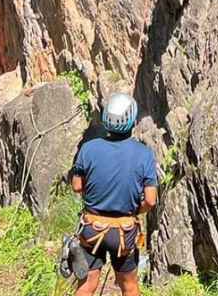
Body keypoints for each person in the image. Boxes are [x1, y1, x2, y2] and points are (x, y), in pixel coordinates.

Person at [70, 93, 157, 296]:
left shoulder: (88, 148)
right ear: (132, 120)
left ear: (106, 119)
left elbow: (76, 186)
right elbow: (151, 200)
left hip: (92, 227)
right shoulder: (144, 154)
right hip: (124, 232)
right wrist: (137, 209)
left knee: (87, 285)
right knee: (129, 286)